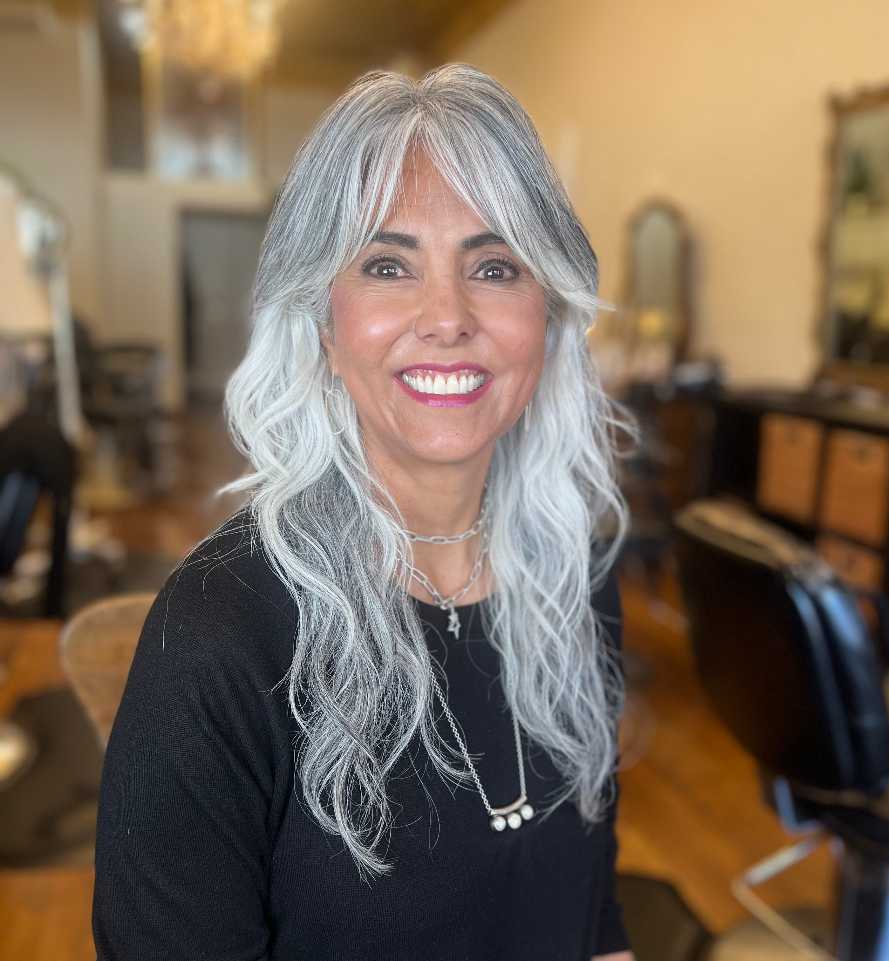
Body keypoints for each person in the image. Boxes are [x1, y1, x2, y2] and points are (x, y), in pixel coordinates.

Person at [92, 63, 640, 961]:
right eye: (388, 266)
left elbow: (595, 915)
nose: (447, 317)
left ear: (546, 316)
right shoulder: (217, 636)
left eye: (494, 266)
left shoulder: (574, 584)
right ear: (323, 323)